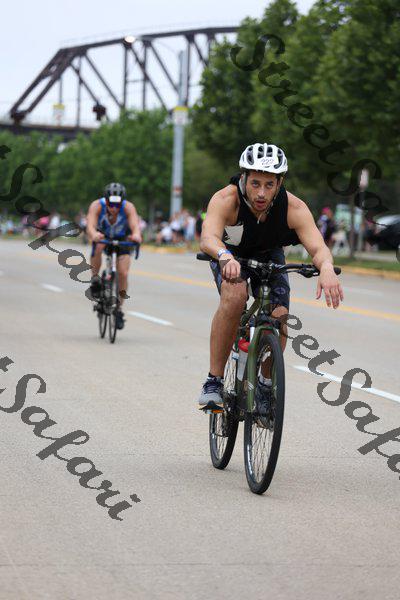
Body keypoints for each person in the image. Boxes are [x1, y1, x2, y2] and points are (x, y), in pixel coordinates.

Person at [198, 142, 344, 410]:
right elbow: (208, 237)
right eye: (255, 183)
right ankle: (213, 381)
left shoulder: (293, 207)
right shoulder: (226, 199)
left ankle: (265, 385)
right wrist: (224, 256)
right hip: (230, 255)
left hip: (269, 254)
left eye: (269, 184)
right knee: (235, 296)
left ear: (280, 183)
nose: (261, 193)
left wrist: (325, 267)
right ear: (244, 178)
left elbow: (318, 248)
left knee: (280, 317)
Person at [86, 182, 142, 329]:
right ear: (106, 201)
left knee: (123, 273)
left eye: (118, 205)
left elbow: (135, 226)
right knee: (98, 246)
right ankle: (95, 279)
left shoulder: (128, 207)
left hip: (122, 238)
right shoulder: (97, 206)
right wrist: (94, 234)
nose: (115, 208)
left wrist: (136, 235)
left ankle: (118, 310)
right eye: (111, 204)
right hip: (102, 235)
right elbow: (90, 226)